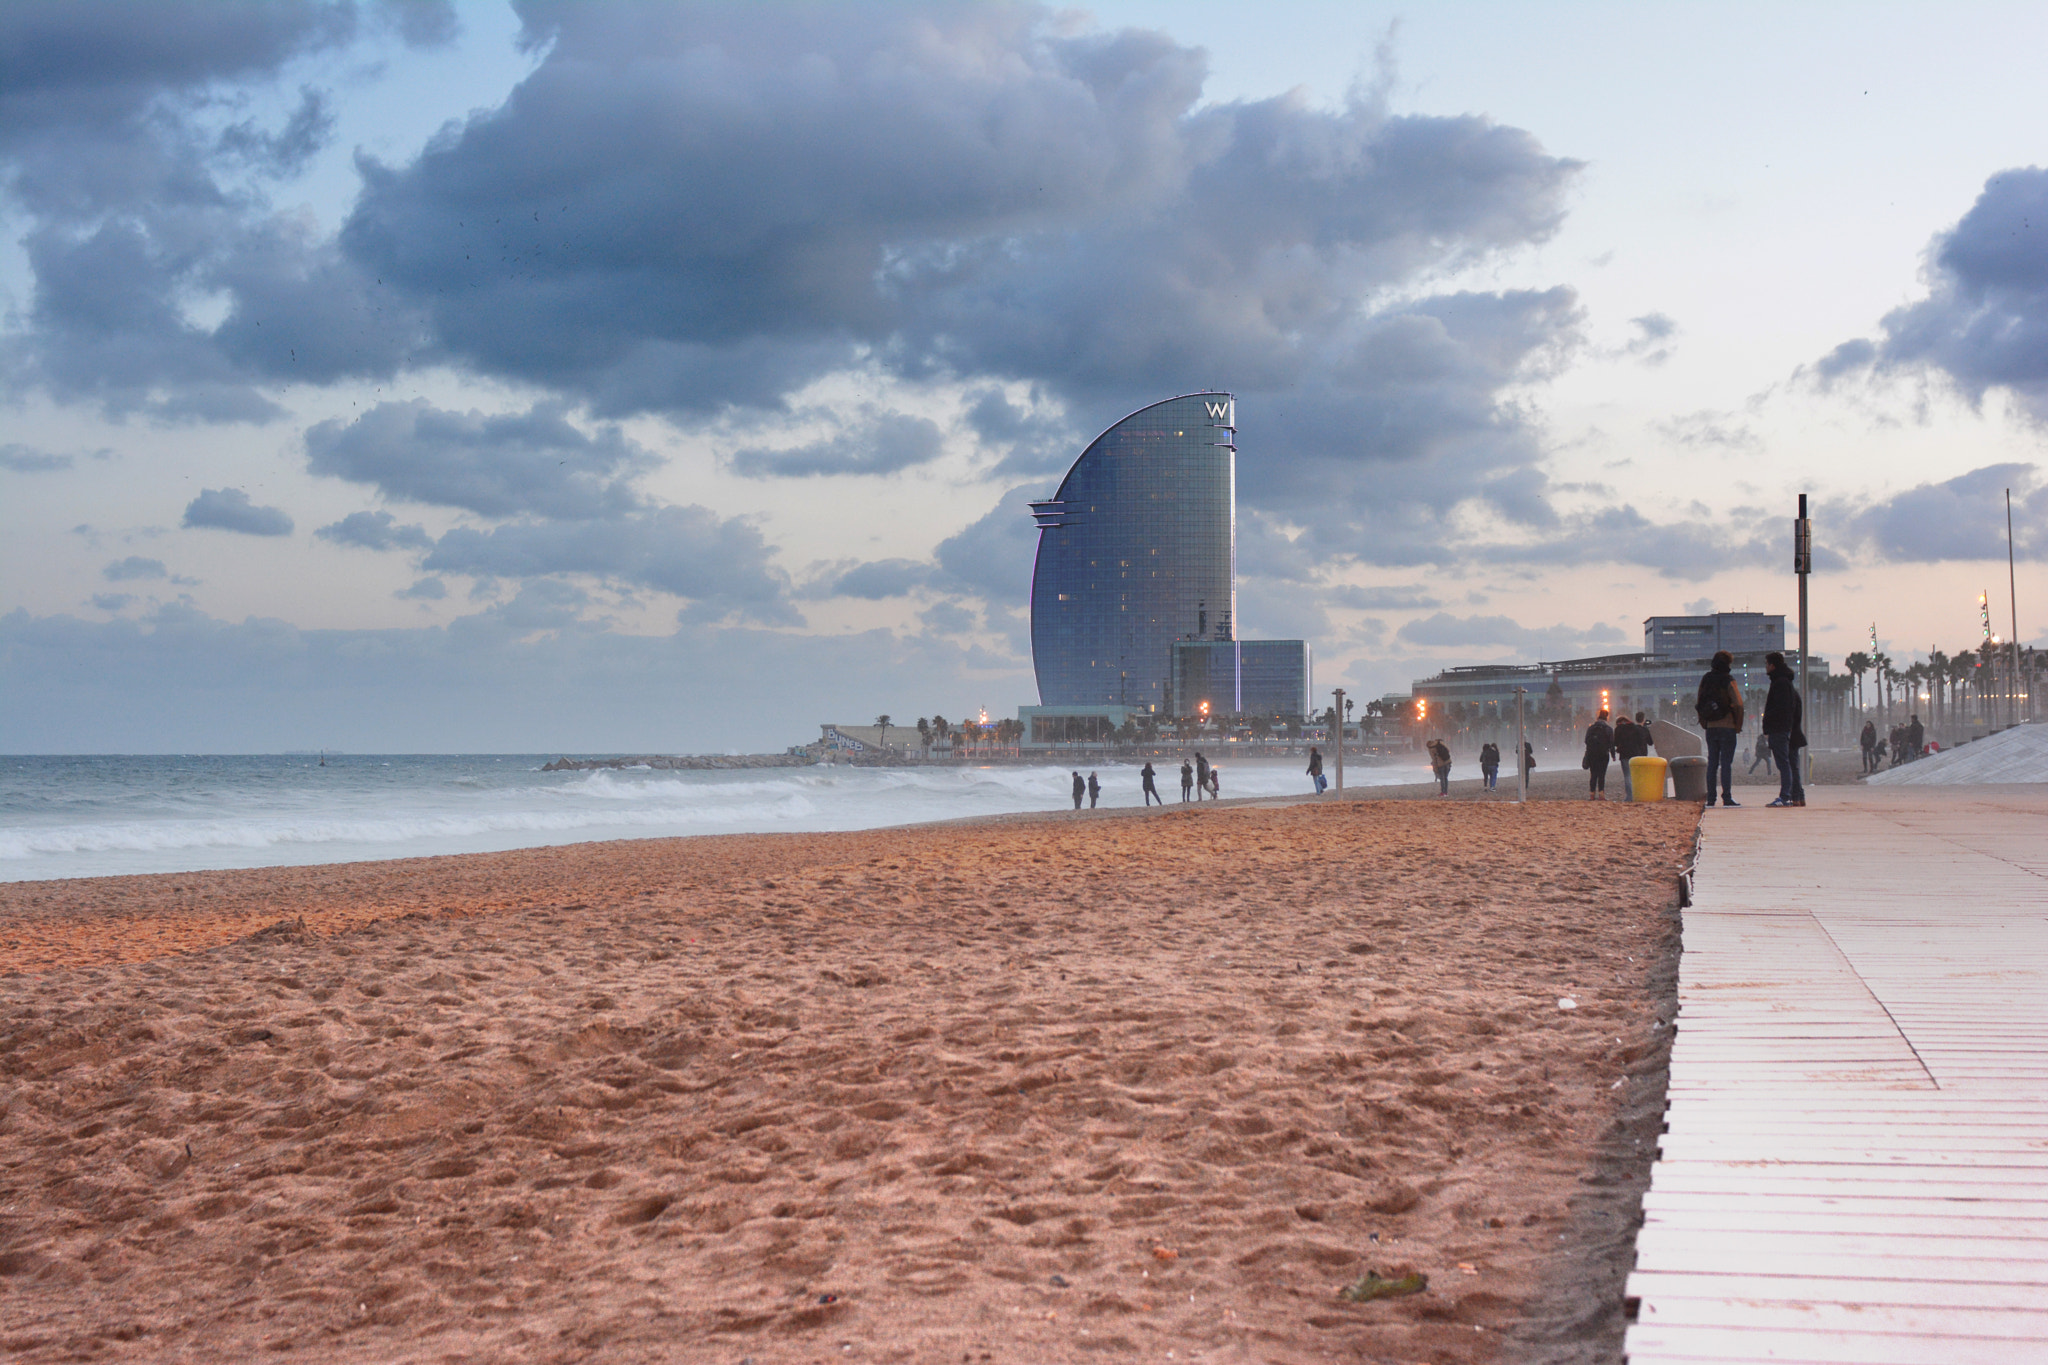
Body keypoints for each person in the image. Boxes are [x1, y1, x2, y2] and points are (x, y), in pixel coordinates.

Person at [1696, 650, 1744, 807]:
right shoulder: (1729, 680)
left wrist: (1704, 722)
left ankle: (1711, 798)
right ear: (1728, 664)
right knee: (1726, 763)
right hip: (1727, 726)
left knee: (1712, 763)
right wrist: (1738, 725)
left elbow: (1699, 702)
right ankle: (1727, 797)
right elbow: (1738, 703)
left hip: (1711, 727)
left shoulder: (1706, 679)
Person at [1760, 651, 1806, 807]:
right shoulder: (1787, 682)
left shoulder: (1780, 683)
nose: (1765, 667)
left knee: (1784, 764)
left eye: (1766, 664)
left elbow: (1781, 709)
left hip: (1780, 730)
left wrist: (1770, 728)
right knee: (1791, 764)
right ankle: (1797, 796)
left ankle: (1785, 797)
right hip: (1789, 730)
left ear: (1772, 665)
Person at [1583, 708, 1616, 800]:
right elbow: (1611, 743)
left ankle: (1592, 794)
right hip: (1603, 754)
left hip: (1592, 754)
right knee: (1602, 774)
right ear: (1606, 717)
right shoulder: (1608, 729)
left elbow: (1586, 741)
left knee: (1593, 774)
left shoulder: (1591, 728)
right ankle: (1601, 794)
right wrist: (1613, 755)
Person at [1614, 714, 1648, 801]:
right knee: (1636, 775)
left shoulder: (1618, 729)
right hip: (1635, 754)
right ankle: (1639, 794)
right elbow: (1640, 740)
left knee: (1627, 776)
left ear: (1618, 722)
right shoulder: (1635, 727)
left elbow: (1615, 742)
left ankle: (1629, 796)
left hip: (1624, 755)